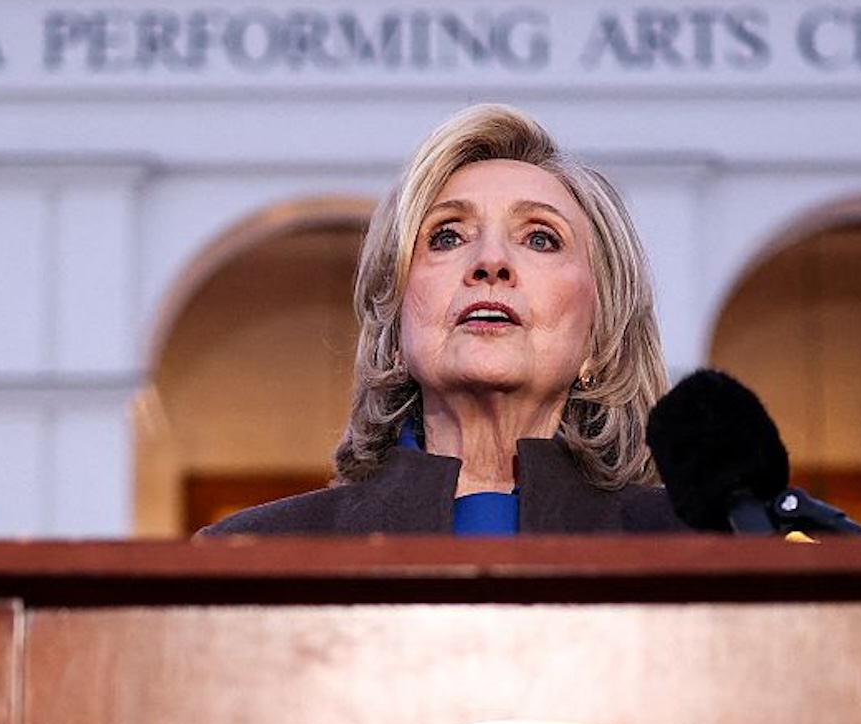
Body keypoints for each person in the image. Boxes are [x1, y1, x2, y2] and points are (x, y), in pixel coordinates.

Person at [201, 103, 685, 536]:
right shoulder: (258, 552)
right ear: (393, 327)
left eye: (540, 238)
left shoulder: (693, 550)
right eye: (447, 236)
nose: (490, 260)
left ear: (602, 336)